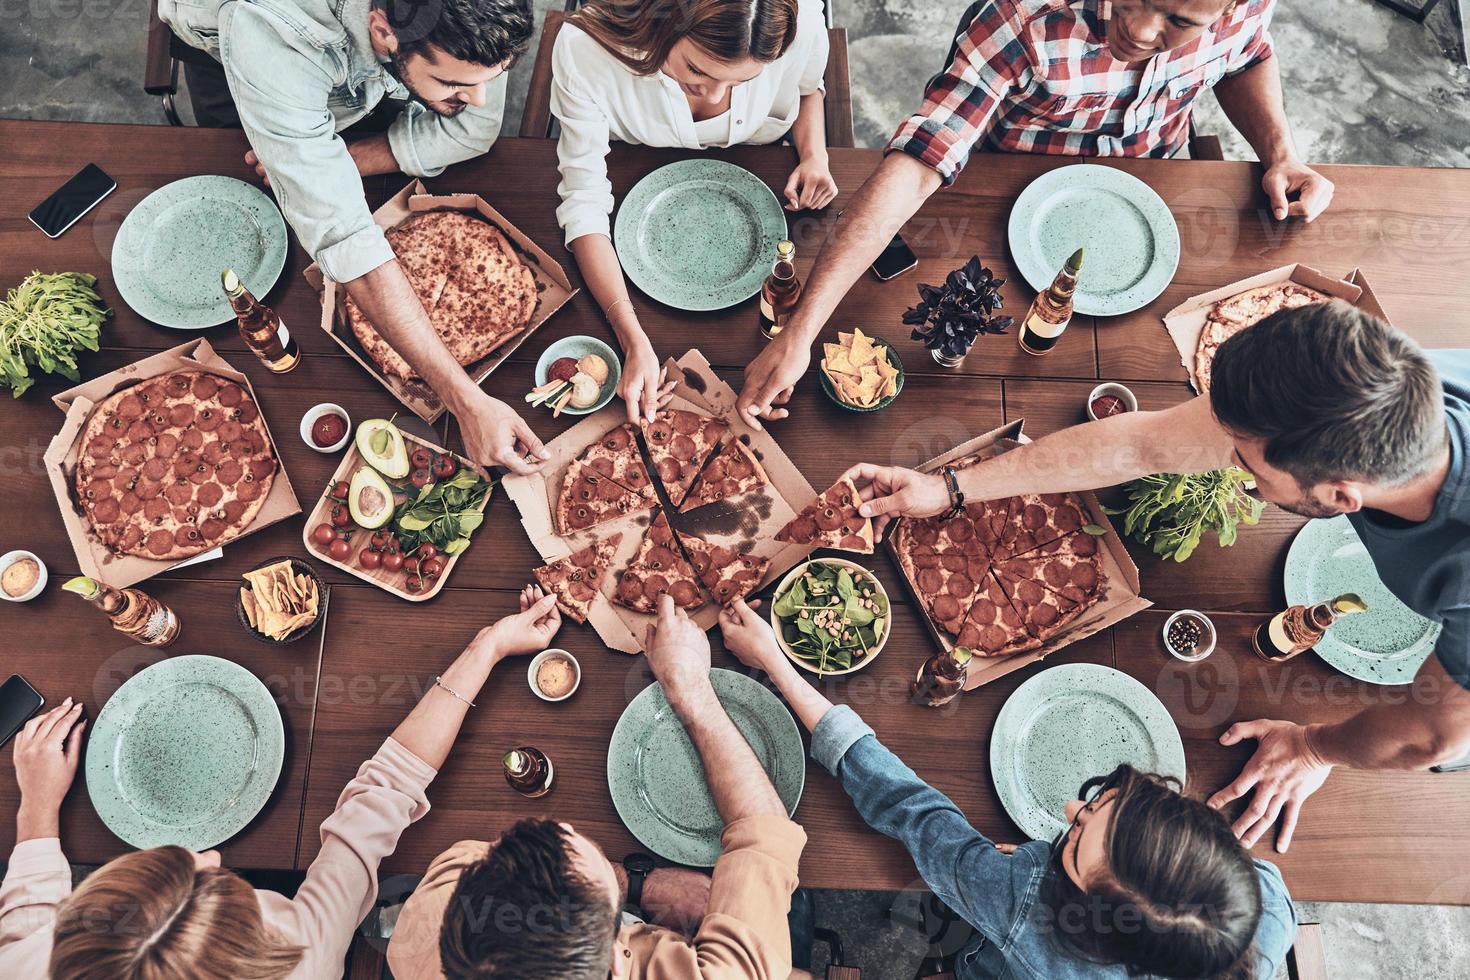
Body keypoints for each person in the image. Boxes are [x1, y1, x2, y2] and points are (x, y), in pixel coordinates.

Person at [837, 300, 1470, 853]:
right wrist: (949, 487)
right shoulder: (1385, 384)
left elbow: (1429, 735)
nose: (1230, 468)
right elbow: (1142, 446)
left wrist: (1314, 747)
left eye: (1246, 463)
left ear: (1340, 496)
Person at [736, 0, 1336, 427]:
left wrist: (1280, 153)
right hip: (1003, 214)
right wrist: (802, 330)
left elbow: (1247, 57)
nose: (1140, 27)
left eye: (1180, 21)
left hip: (1154, 207)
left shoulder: (1246, 8)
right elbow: (919, 161)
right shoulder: (1021, 15)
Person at [716, 597, 1297, 979]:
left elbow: (914, 812)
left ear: (1085, 918)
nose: (1072, 806)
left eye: (1071, 843)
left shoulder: (1023, 898)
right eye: (1104, 804)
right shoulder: (1259, 908)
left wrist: (776, 663)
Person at [0, 586, 562, 979]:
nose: (214, 859)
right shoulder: (303, 958)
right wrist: (485, 648)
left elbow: (23, 927)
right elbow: (378, 803)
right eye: (215, 888)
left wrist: (37, 810)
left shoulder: (26, 963)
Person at [155, 0, 548, 473]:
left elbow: (474, 130)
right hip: (239, 48)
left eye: (491, 77)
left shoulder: (464, 23)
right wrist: (467, 404)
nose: (481, 99)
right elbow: (346, 241)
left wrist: (335, 163)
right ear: (383, 31)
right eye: (454, 83)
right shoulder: (275, 38)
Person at [385, 594, 807, 979]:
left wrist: (639, 885)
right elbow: (764, 835)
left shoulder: (431, 917)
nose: (564, 825)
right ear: (611, 960)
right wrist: (687, 685)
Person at [552, 0, 836, 424]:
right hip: (633, 183)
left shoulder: (804, 21)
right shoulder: (584, 50)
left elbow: (806, 86)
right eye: (698, 71)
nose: (716, 94)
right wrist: (631, 339)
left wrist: (814, 155)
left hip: (767, 179)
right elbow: (584, 201)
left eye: (744, 80)